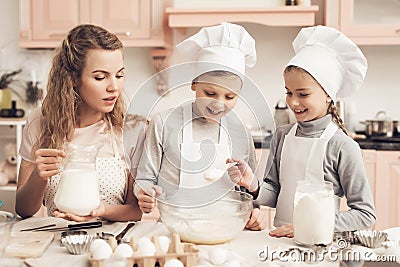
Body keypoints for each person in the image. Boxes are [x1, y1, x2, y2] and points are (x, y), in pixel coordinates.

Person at [228, 25, 376, 237]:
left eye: (303, 94)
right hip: (278, 240)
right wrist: (252, 184)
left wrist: (312, 224)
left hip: (319, 245)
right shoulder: (282, 135)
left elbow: (365, 214)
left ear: (328, 94)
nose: (293, 102)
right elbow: (276, 194)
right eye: (289, 92)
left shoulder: (343, 146)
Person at [134, 22, 269, 230]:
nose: (218, 103)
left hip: (227, 229)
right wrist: (144, 193)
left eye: (230, 96)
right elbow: (145, 178)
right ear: (194, 83)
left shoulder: (240, 132)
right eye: (210, 93)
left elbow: (248, 189)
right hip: (175, 229)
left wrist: (256, 210)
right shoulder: (163, 123)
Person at [15, 24, 144, 222]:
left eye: (119, 75)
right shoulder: (39, 122)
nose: (114, 87)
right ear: (73, 78)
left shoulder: (132, 130)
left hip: (112, 243)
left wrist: (100, 211)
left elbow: (135, 211)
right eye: (100, 77)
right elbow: (23, 210)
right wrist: (39, 177)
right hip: (57, 242)